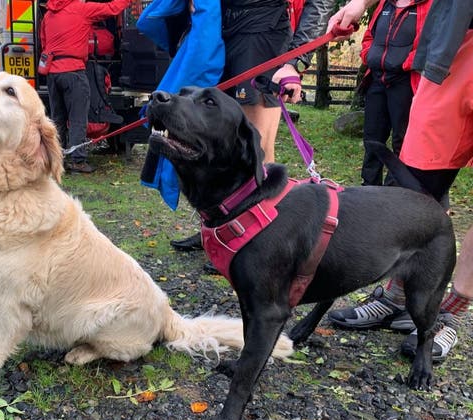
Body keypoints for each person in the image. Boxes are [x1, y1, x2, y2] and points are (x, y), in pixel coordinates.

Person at [327, 0, 473, 362]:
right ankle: (397, 294)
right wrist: (360, 2)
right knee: (414, 182)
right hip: (454, 46)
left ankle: (451, 310)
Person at [171, 0, 334, 254]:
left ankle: (256, 238)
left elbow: (320, 3)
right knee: (214, 140)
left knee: (257, 147)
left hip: (264, 35)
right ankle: (217, 228)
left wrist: (297, 58)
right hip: (219, 29)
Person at [39, 0, 132, 174]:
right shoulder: (81, 9)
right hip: (74, 71)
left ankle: (57, 159)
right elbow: (111, 8)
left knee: (57, 118)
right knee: (78, 118)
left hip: (53, 73)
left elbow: (44, 43)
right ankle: (78, 161)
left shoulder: (48, 15)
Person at [359, 0, 432, 186]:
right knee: (372, 139)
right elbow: (369, 35)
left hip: (405, 82)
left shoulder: (429, 5)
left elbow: (431, 42)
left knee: (402, 140)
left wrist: (405, 63)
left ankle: (394, 190)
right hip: (376, 80)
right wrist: (368, 55)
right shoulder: (385, 3)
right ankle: (368, 189)